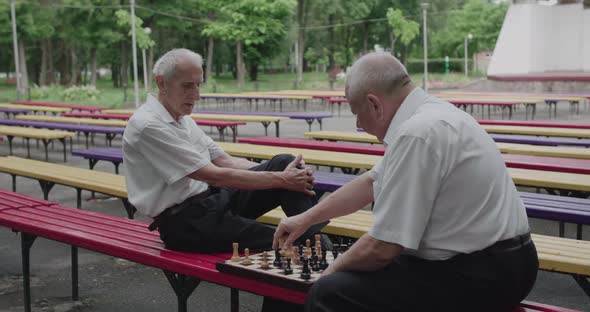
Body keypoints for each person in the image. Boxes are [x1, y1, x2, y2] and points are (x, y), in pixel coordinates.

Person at [273, 52, 538, 312]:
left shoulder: (417, 133)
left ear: (375, 104)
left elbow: (383, 247)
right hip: (511, 263)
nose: (357, 124)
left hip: (481, 274)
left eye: (357, 113)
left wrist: (329, 272)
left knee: (328, 294)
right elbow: (370, 183)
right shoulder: (435, 115)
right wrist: (306, 218)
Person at [123, 48, 327, 256]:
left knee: (285, 161)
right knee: (285, 240)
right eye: (187, 86)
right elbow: (213, 175)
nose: (197, 95)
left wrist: (291, 175)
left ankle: (322, 244)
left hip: (213, 202)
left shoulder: (181, 119)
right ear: (161, 83)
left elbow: (224, 160)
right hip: (187, 224)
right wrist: (282, 180)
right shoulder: (148, 125)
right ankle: (325, 252)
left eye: (198, 85)